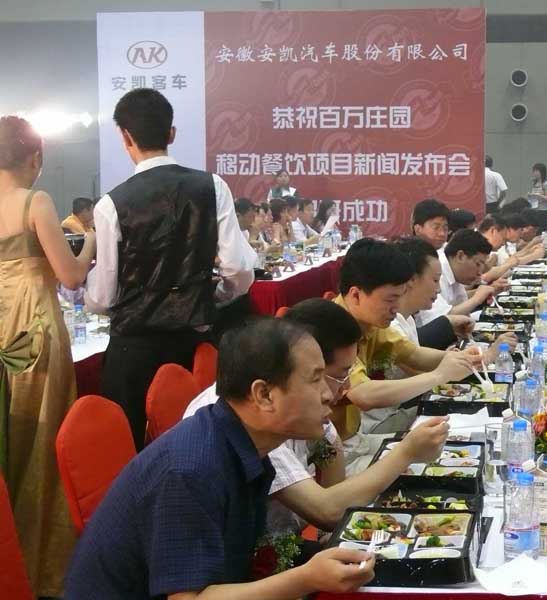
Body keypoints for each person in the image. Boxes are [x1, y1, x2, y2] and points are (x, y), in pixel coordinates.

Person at [65, 319, 377, 599]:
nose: (329, 394)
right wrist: (306, 578)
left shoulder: (243, 439)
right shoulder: (190, 469)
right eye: (315, 379)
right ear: (264, 395)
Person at [181, 300, 449, 544]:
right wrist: (406, 452)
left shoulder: (295, 395)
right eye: (324, 377)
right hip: (262, 554)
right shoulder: (249, 416)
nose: (341, 389)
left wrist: (329, 539)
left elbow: (331, 450)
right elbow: (326, 510)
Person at [85, 89, 256, 449]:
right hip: (193, 345)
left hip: (133, 351)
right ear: (171, 133)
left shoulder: (111, 204)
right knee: (202, 443)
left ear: (125, 137)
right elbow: (239, 270)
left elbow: (102, 297)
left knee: (135, 452)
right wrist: (210, 296)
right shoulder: (212, 187)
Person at [0, 116, 96, 596]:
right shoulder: (35, 201)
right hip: (33, 327)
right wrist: (91, 241)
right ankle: (39, 561)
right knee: (41, 437)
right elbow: (71, 276)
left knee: (8, 433)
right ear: (35, 158)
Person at [332, 239, 478, 471]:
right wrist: (439, 375)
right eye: (390, 299)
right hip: (335, 453)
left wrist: (462, 359)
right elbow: (363, 394)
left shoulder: (370, 322)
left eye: (400, 296)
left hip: (356, 440)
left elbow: (413, 355)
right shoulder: (333, 328)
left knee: (451, 449)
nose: (396, 307)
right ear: (356, 295)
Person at [527, 163, 547, 233]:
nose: (535, 173)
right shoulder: (534, 183)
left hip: (542, 211)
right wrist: (530, 195)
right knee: (535, 232)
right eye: (534, 171)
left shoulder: (546, 183)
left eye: (537, 171)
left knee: (543, 232)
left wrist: (538, 195)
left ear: (542, 172)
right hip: (534, 210)